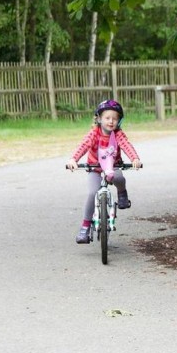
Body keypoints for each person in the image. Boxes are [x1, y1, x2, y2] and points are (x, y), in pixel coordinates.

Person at [66, 99, 142, 244]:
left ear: (119, 121)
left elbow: (126, 145)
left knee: (119, 178)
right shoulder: (94, 133)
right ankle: (85, 227)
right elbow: (83, 145)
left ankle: (122, 194)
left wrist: (135, 158)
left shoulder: (118, 134)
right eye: (107, 118)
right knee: (92, 192)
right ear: (99, 118)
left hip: (113, 166)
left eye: (115, 118)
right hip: (94, 167)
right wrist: (73, 159)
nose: (111, 121)